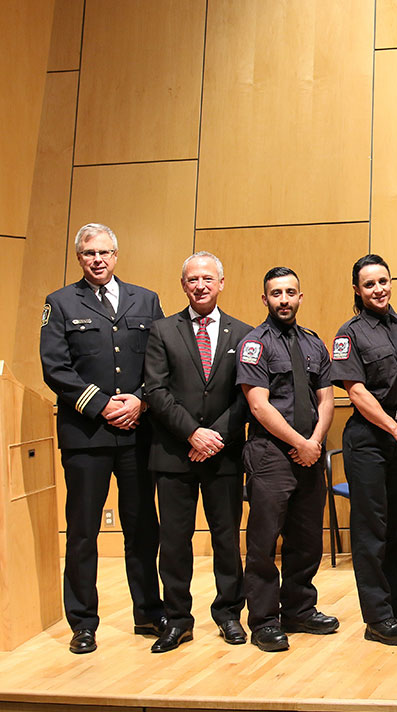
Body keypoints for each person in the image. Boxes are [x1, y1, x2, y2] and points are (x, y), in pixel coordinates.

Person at [40, 223, 165, 654]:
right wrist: (101, 404)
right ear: (79, 258)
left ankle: (149, 611)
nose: (98, 259)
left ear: (117, 255)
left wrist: (142, 401)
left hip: (136, 434)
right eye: (89, 253)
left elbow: (161, 359)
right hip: (87, 436)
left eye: (105, 252)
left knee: (142, 528)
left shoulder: (146, 300)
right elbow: (55, 368)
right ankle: (83, 621)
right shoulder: (59, 303)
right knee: (82, 532)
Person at [142, 251, 252, 653]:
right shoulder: (162, 331)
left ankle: (229, 615)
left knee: (226, 538)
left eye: (208, 278)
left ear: (221, 283)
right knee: (174, 542)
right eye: (192, 279)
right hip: (174, 453)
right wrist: (193, 434)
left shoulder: (244, 333)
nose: (200, 285)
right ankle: (178, 620)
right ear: (183, 285)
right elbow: (154, 390)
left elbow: (248, 395)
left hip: (223, 454)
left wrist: (215, 436)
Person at [331, 255, 397, 646]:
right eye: (369, 284)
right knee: (371, 531)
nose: (378, 289)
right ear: (357, 290)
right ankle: (377, 618)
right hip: (370, 439)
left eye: (383, 281)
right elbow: (356, 392)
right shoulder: (350, 333)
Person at [236, 267, 336, 652]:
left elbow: (326, 398)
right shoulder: (254, 344)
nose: (283, 299)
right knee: (264, 541)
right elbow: (259, 405)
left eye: (290, 292)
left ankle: (299, 609)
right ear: (265, 299)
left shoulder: (313, 343)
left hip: (310, 452)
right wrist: (301, 442)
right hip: (271, 454)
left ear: (300, 297)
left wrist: (314, 442)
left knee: (308, 538)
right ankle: (263, 621)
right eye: (276, 293)